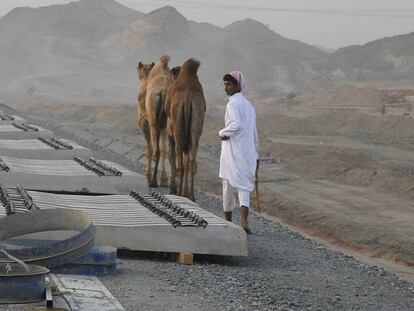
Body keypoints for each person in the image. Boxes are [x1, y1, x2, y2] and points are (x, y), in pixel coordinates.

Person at [219, 71, 259, 234]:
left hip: (232, 151)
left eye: (229, 84)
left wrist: (222, 133)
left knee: (227, 184)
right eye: (225, 85)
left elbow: (236, 125)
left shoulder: (232, 104)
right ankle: (244, 221)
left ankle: (228, 221)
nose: (226, 88)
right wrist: (257, 154)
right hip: (247, 151)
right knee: (244, 186)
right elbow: (254, 133)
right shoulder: (249, 106)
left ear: (237, 86)